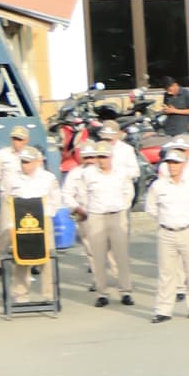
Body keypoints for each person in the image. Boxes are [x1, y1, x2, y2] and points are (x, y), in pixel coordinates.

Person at [63, 123, 138, 306]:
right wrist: (84, 210)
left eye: (104, 156)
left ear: (110, 157)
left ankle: (125, 290)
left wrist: (123, 207)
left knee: (120, 255)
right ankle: (102, 293)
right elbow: (80, 193)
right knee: (97, 256)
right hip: (96, 216)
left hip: (116, 215)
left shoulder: (120, 173)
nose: (101, 160)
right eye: (99, 157)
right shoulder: (87, 174)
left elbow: (129, 191)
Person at [145, 141, 189, 322]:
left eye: (176, 163)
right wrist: (164, 221)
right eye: (170, 163)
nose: (173, 166)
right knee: (167, 273)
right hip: (167, 232)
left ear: (184, 164)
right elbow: (151, 207)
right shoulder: (159, 185)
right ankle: (163, 310)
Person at [0, 139, 61, 309]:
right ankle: (21, 294)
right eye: (23, 162)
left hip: (43, 221)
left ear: (36, 162)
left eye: (28, 162)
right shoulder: (12, 178)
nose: (25, 165)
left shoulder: (47, 178)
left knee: (46, 258)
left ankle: (49, 295)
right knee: (21, 258)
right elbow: (6, 197)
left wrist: (48, 215)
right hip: (21, 222)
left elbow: (56, 199)